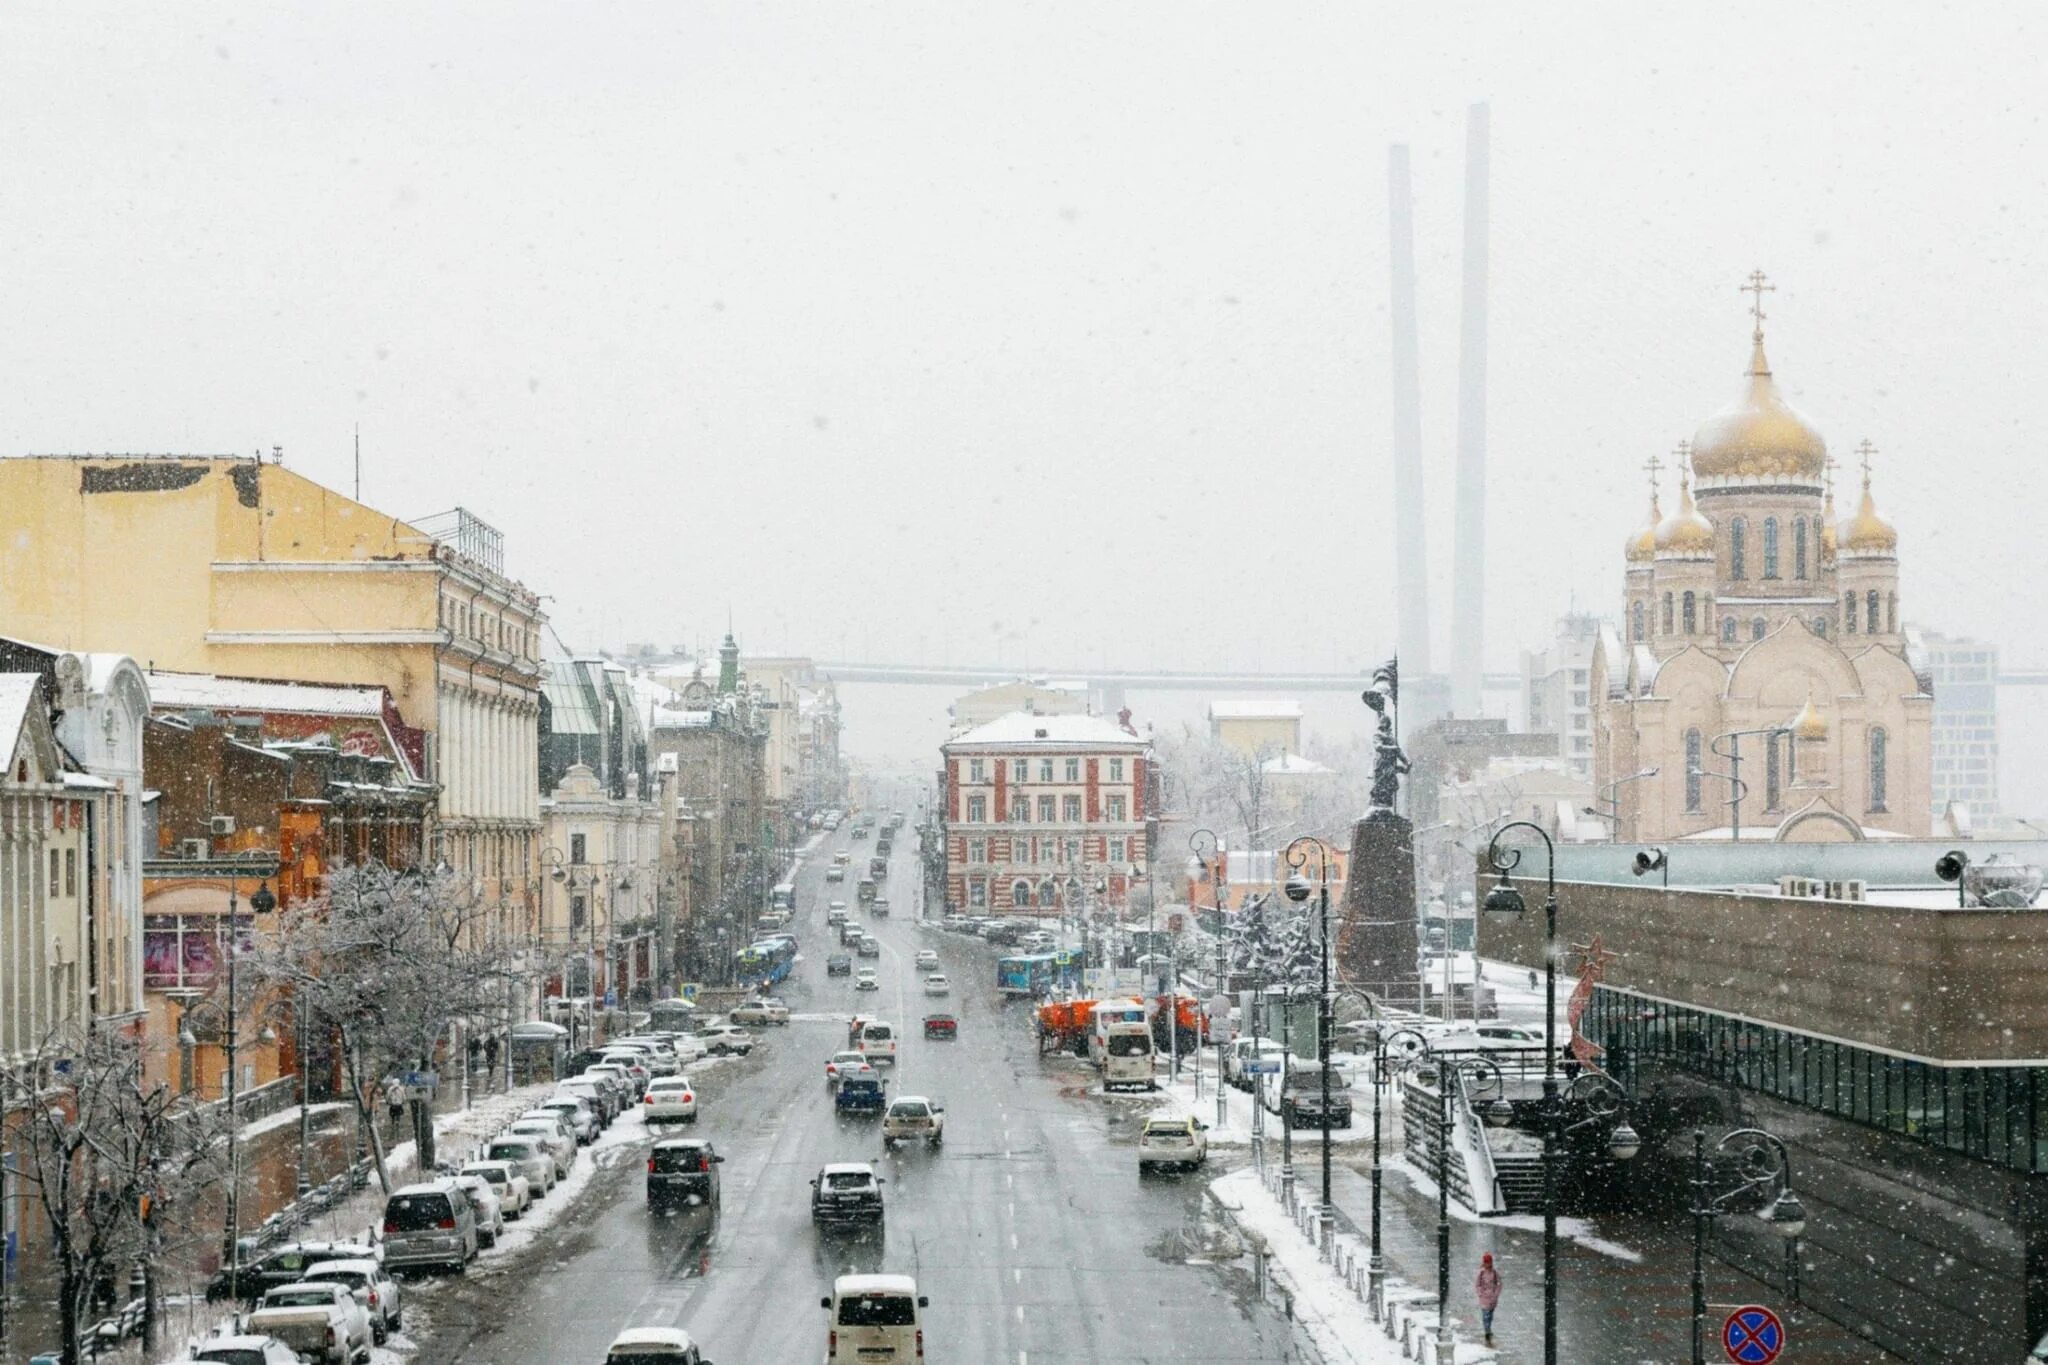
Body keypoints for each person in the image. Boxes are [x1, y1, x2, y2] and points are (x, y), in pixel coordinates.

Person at [1475, 1252, 1502, 1346]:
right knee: (1485, 1316)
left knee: (1490, 1317)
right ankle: (1487, 1332)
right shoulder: (1481, 1273)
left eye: (1489, 1262)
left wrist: (1496, 1294)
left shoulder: (1494, 1273)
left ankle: (1488, 1329)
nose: (1487, 1264)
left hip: (1492, 1299)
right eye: (1486, 1262)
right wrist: (1480, 1293)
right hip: (1484, 1299)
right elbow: (1477, 1284)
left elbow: (1499, 1284)